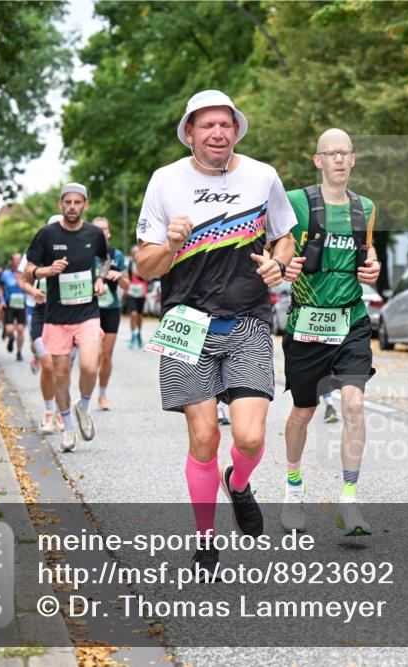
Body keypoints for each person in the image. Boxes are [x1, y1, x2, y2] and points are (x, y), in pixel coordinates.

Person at [135, 89, 302, 572]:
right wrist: (169, 243)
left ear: (235, 130)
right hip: (186, 324)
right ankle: (206, 538)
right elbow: (146, 267)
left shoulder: (262, 176)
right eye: (206, 125)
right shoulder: (165, 181)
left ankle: (240, 483)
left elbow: (284, 236)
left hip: (248, 319)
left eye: (225, 125)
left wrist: (277, 262)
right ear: (189, 132)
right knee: (204, 434)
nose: (217, 133)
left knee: (249, 437)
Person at [278, 128, 380, 537]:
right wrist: (282, 264)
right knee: (304, 411)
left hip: (351, 319)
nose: (339, 160)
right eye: (330, 153)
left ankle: (349, 501)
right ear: (317, 160)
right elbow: (276, 246)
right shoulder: (296, 202)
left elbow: (367, 253)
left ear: (353, 160)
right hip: (307, 321)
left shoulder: (366, 207)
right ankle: (293, 489)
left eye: (345, 153)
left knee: (353, 405)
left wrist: (372, 267)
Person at [23, 184, 109, 453]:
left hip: (87, 313)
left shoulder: (94, 234)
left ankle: (83, 406)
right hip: (56, 316)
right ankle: (69, 427)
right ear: (60, 205)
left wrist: (100, 278)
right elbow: (28, 271)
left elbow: (105, 261)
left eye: (78, 202)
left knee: (89, 366)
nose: (72, 207)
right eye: (68, 202)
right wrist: (48, 270)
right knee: (61, 375)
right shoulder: (47, 234)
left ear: (86, 204)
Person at [17, 217, 65, 434]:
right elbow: (23, 279)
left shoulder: (74, 252)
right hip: (40, 313)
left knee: (62, 370)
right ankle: (48, 412)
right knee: (48, 365)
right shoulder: (36, 252)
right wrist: (33, 291)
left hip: (66, 314)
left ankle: (61, 412)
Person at [92, 217, 130, 410]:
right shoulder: (85, 253)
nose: (101, 232)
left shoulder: (117, 255)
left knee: (106, 355)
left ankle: (102, 395)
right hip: (90, 309)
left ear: (109, 232)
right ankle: (86, 392)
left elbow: (127, 285)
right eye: (97, 229)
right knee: (95, 353)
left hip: (111, 309)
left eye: (104, 229)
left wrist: (120, 276)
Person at [0, 254, 27, 360]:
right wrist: (2, 300)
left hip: (21, 304)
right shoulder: (5, 274)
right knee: (9, 330)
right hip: (9, 304)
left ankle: (19, 352)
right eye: (16, 260)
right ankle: (11, 339)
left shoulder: (25, 273)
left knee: (20, 329)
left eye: (20, 260)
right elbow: (0, 288)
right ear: (12, 261)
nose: (18, 262)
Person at [126, 247, 149, 349]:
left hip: (141, 293)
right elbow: (126, 276)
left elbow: (149, 277)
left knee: (139, 315)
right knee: (133, 314)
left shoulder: (145, 263)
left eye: (137, 253)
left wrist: (141, 275)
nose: (136, 255)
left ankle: (139, 334)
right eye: (134, 253)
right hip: (131, 292)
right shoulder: (129, 264)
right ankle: (133, 335)